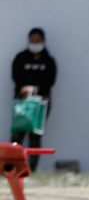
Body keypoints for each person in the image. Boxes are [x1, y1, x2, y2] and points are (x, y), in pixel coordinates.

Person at [11, 27, 56, 172]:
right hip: (23, 102)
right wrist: (25, 88)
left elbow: (50, 81)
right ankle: (12, 169)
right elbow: (15, 77)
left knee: (35, 136)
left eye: (38, 41)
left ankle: (30, 170)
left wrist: (36, 88)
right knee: (17, 136)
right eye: (32, 40)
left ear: (43, 41)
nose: (35, 43)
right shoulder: (21, 58)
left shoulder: (48, 60)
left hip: (41, 103)